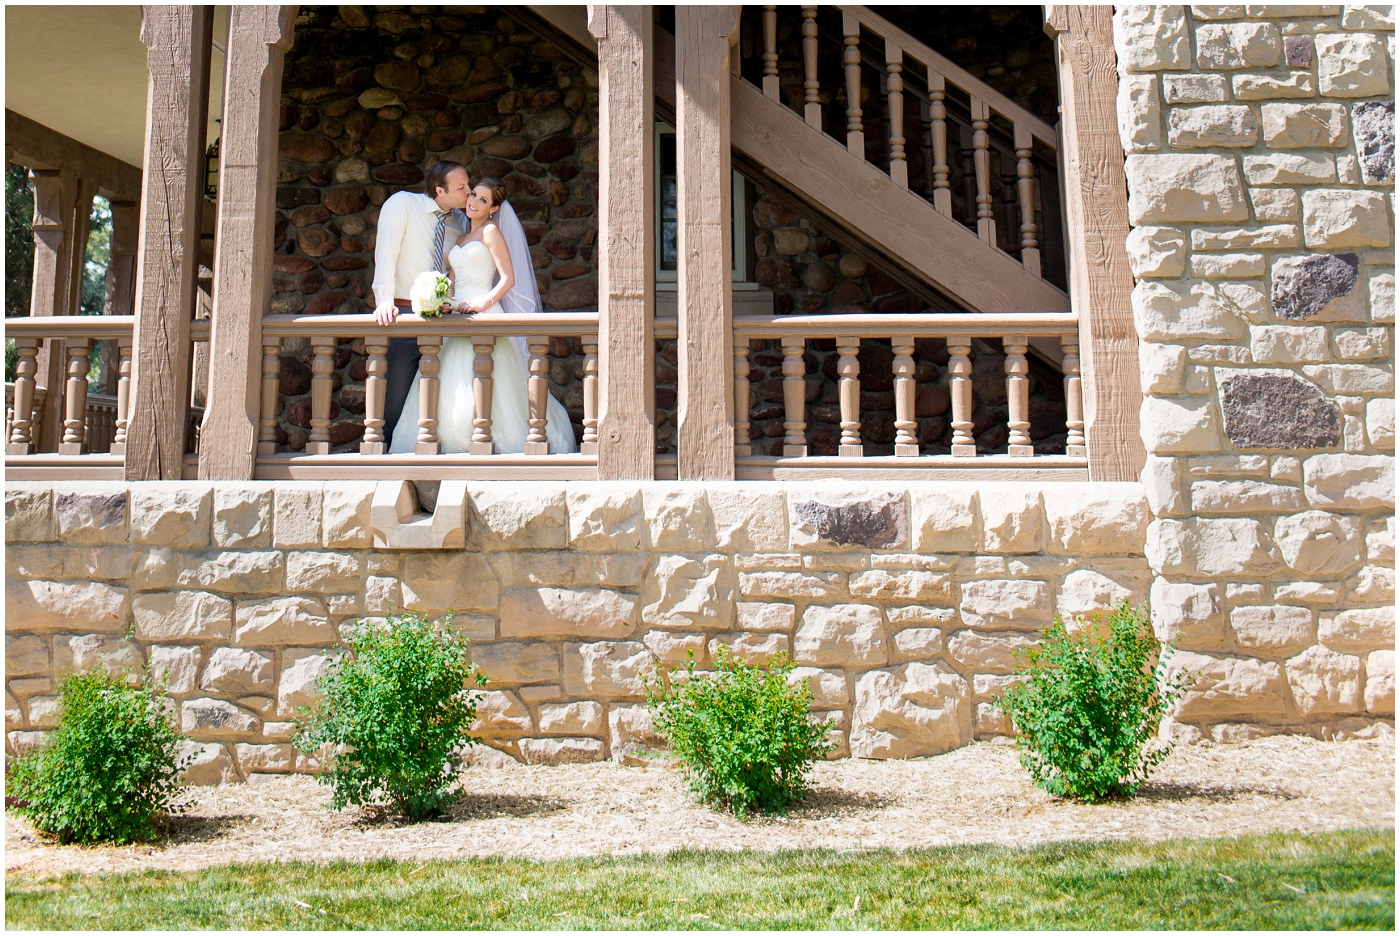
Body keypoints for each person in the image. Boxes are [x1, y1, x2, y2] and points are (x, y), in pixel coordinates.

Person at [388, 179, 577, 455]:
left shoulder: (491, 232)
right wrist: (441, 299)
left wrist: (482, 303)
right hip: (457, 318)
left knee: (489, 378)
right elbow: (453, 281)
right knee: (449, 379)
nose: (473, 202)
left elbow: (508, 279)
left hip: (484, 313)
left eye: (483, 200)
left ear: (494, 208)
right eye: (473, 195)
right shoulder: (461, 238)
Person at [371, 160, 471, 443]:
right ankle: (386, 450)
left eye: (468, 184)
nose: (469, 191)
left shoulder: (462, 221)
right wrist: (384, 300)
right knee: (396, 391)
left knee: (442, 393)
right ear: (440, 190)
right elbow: (386, 253)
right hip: (402, 310)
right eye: (461, 187)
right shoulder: (402, 204)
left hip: (445, 317)